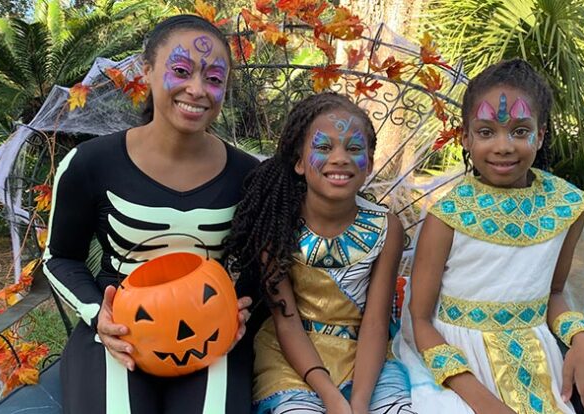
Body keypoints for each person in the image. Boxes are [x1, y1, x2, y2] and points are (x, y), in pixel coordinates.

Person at [394, 58, 584, 414]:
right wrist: (484, 403)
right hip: (454, 368)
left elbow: (553, 293)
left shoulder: (566, 207)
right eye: (485, 132)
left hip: (538, 363)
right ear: (464, 136)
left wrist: (583, 337)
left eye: (520, 131)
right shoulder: (446, 216)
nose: (504, 146)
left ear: (540, 135)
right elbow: (420, 321)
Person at [42, 14, 259, 414]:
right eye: (180, 71)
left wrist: (241, 306)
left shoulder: (249, 176)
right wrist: (98, 315)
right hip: (117, 332)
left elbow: (258, 266)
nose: (197, 90)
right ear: (147, 70)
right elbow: (60, 257)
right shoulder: (91, 163)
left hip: (209, 332)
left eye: (214, 79)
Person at [224, 92, 415, 414]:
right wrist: (331, 398)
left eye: (353, 149)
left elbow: (375, 323)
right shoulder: (277, 225)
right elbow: (287, 322)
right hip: (291, 358)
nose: (339, 158)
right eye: (324, 147)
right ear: (299, 161)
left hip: (365, 355)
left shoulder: (387, 228)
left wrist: (358, 402)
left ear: (368, 162)